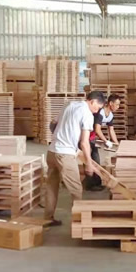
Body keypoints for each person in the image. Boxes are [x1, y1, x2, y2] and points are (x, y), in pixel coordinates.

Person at [45, 91, 106, 225]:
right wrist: (89, 164)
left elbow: (53, 124)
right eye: (97, 108)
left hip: (52, 151)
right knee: (76, 190)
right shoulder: (87, 114)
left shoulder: (69, 105)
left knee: (51, 186)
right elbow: (84, 143)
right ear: (92, 101)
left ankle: (48, 218)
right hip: (65, 155)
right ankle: (79, 224)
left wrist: (61, 137)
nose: (96, 111)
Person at [86, 94, 121, 191]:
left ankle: (96, 183)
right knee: (91, 159)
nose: (118, 107)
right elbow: (97, 129)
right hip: (86, 136)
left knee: (96, 160)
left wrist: (117, 144)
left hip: (92, 137)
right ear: (111, 103)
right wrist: (106, 141)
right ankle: (90, 184)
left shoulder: (110, 115)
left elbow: (111, 130)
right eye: (117, 104)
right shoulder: (100, 112)